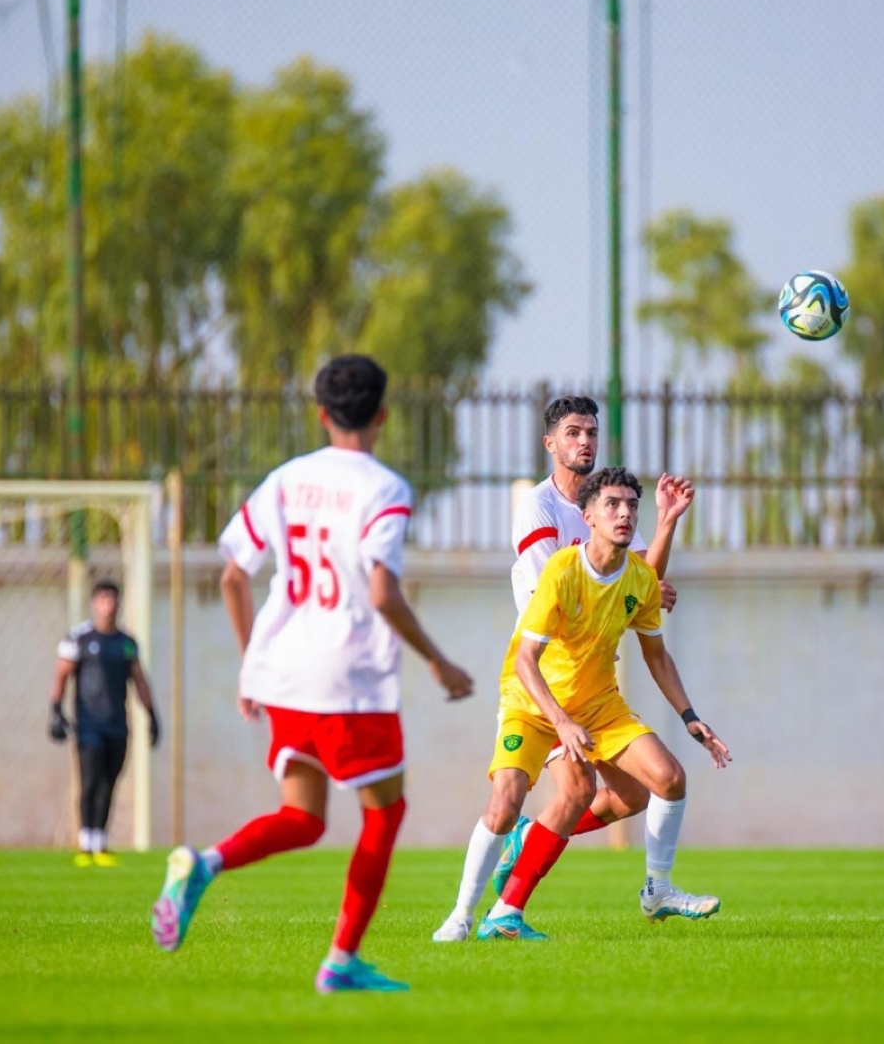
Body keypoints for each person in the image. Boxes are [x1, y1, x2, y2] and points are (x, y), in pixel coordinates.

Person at [150, 354, 473, 994]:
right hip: (350, 679)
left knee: (304, 816)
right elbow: (381, 593)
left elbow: (233, 574)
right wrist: (439, 661)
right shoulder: (385, 489)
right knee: (385, 813)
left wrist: (253, 663)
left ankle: (204, 865)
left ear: (322, 414)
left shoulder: (285, 480)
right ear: (382, 416)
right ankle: (341, 961)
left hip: (285, 674)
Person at [433, 396, 695, 941]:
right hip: (546, 679)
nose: (585, 441)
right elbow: (551, 597)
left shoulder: (608, 503)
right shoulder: (539, 508)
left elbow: (637, 580)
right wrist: (627, 598)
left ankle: (516, 878)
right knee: (548, 794)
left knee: (631, 796)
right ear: (550, 443)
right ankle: (473, 915)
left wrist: (662, 536)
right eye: (573, 432)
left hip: (592, 682)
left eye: (591, 432)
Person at [474, 466, 730, 939]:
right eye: (573, 433)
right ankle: (500, 912)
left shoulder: (629, 564)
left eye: (632, 505)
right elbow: (555, 610)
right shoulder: (542, 517)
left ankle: (654, 890)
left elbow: (643, 603)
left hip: (598, 697)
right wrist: (560, 718)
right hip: (547, 693)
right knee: (574, 792)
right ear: (587, 514)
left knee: (653, 787)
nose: (624, 512)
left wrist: (690, 716)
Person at [49, 579, 160, 867]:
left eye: (112, 600)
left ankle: (100, 842)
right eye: (103, 600)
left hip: (118, 725)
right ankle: (85, 844)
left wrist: (152, 715)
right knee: (90, 780)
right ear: (94, 604)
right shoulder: (79, 638)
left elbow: (139, 680)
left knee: (109, 781)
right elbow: (61, 674)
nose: (108, 606)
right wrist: (55, 711)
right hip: (88, 725)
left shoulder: (126, 643)